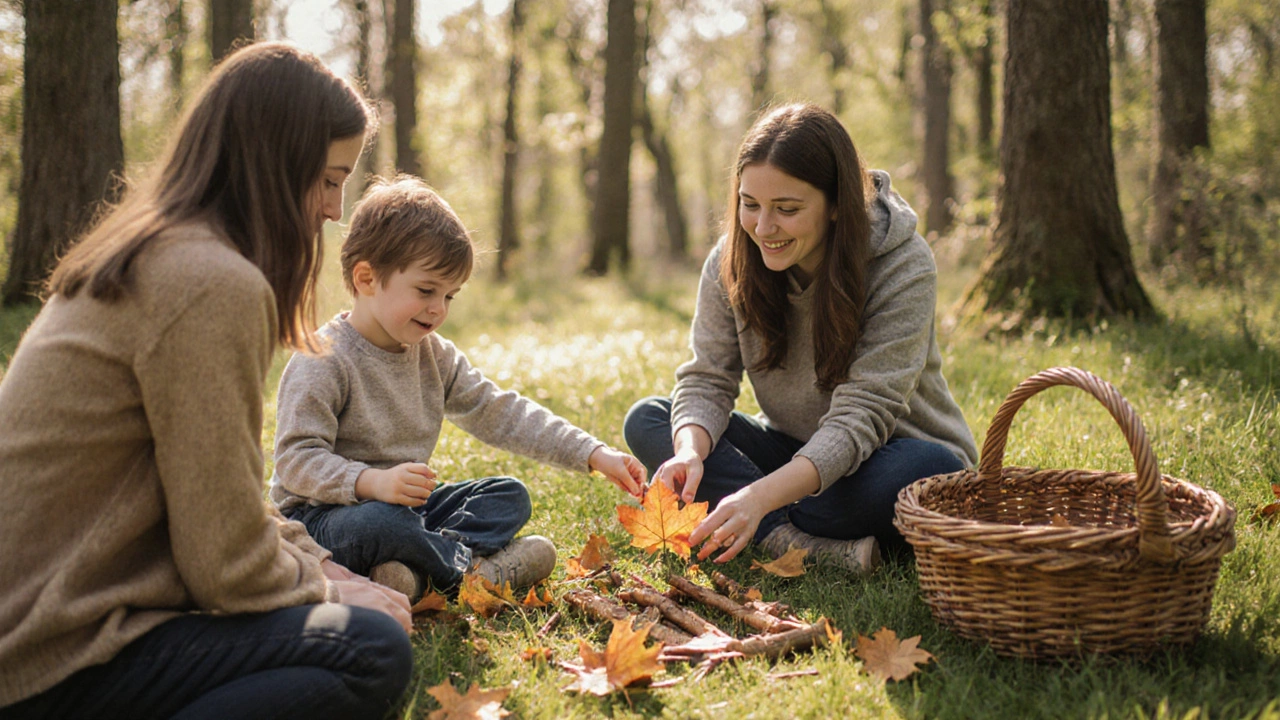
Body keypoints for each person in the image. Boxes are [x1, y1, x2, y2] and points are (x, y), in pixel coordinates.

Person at [0, 43, 415, 719]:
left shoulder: (162, 252)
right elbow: (224, 565)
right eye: (328, 179)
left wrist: (320, 564)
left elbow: (223, 493)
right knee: (370, 647)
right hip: (54, 654)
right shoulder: (209, 283)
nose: (335, 210)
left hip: (42, 629)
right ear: (273, 165)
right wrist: (332, 595)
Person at [624, 103, 977, 573]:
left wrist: (756, 495)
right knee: (650, 419)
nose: (763, 228)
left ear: (836, 204)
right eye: (750, 204)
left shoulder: (903, 264)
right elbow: (707, 379)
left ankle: (765, 516)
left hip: (889, 455)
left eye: (787, 210)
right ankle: (797, 539)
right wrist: (690, 452)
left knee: (925, 469)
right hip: (795, 452)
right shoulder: (732, 259)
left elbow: (862, 416)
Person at [269, 176, 647, 602]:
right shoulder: (323, 359)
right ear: (366, 278)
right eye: (426, 290)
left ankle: (411, 576)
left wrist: (593, 453)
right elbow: (295, 460)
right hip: (324, 520)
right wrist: (371, 482)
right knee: (382, 524)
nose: (438, 309)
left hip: (408, 513)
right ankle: (473, 574)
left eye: (450, 296)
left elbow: (500, 411)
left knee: (509, 497)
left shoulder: (434, 355)